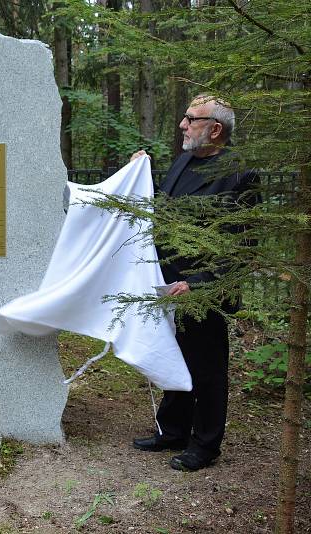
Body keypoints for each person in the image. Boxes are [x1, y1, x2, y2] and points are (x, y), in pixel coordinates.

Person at [130, 95, 258, 471]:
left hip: (204, 291)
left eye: (191, 119)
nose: (182, 125)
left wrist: (197, 283)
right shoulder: (184, 159)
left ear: (215, 129)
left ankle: (205, 445)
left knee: (207, 369)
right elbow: (167, 209)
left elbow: (243, 248)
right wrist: (142, 177)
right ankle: (172, 431)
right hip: (167, 283)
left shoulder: (240, 175)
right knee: (173, 355)